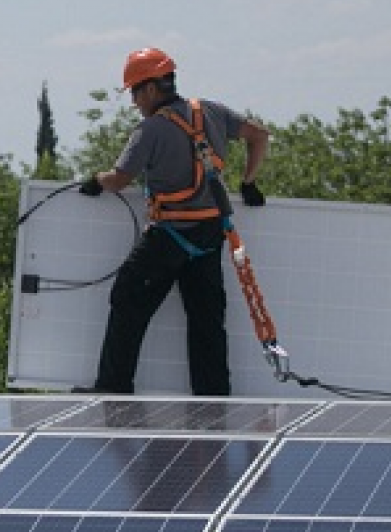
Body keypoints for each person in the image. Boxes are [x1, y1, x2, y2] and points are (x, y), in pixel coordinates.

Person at [77, 47, 270, 396]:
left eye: (134, 92)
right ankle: (213, 404)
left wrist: (96, 181)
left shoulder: (150, 130)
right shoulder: (210, 111)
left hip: (169, 236)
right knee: (207, 322)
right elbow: (259, 135)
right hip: (210, 235)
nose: (134, 101)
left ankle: (113, 389)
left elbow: (120, 179)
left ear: (151, 88)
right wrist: (248, 182)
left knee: (127, 299)